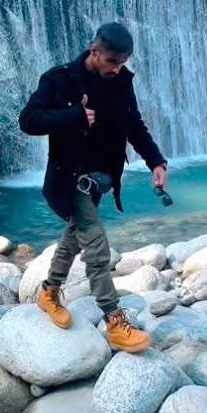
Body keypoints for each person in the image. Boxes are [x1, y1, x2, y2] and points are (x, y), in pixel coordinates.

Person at [18, 22, 167, 353]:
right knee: (97, 248)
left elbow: (134, 125)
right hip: (70, 177)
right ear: (94, 50)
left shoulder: (121, 81)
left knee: (73, 238)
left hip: (101, 178)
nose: (117, 69)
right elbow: (28, 120)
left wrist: (156, 161)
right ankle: (115, 320)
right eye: (112, 61)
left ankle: (48, 292)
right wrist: (72, 115)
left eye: (122, 62)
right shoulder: (59, 79)